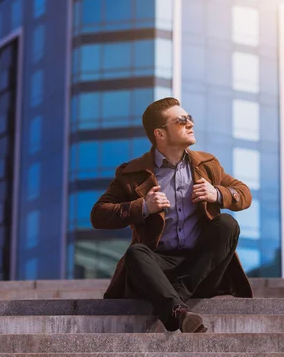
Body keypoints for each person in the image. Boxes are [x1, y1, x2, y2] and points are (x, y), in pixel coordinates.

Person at [91, 97, 253, 333]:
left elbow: (244, 194)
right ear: (160, 134)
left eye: (190, 118)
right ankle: (177, 311)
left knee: (227, 224)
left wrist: (217, 193)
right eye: (181, 120)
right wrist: (143, 207)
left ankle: (172, 302)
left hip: (201, 269)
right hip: (158, 270)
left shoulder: (208, 165)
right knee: (136, 252)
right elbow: (98, 214)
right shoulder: (132, 173)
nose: (190, 124)